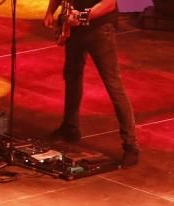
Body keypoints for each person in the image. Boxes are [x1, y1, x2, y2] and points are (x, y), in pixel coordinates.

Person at [42, 0, 140, 168]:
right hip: (74, 29)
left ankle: (131, 145)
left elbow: (109, 3)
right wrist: (50, 11)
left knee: (113, 85)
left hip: (100, 30)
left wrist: (81, 16)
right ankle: (70, 127)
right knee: (72, 76)